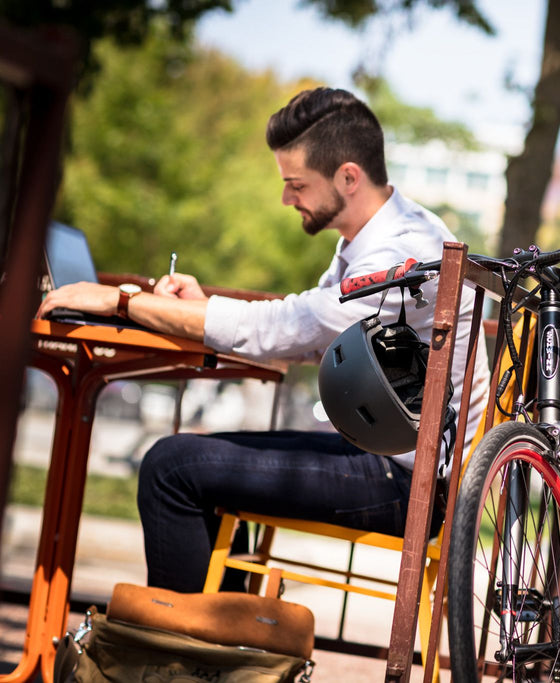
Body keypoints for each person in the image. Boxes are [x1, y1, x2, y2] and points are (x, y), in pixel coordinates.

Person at [37, 87, 490, 592]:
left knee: (171, 467)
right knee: (195, 461)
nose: (286, 198)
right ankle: (226, 643)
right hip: (395, 459)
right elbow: (305, 335)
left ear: (348, 176)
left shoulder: (400, 254)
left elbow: (284, 328)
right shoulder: (385, 235)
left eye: (296, 184)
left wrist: (124, 303)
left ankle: (190, 655)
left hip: (409, 482)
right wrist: (195, 307)